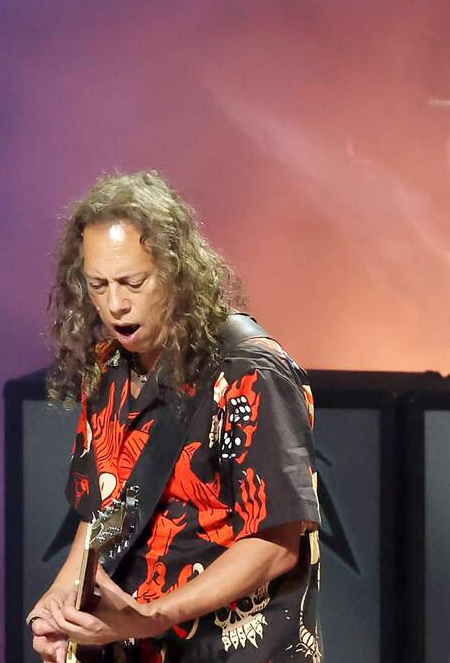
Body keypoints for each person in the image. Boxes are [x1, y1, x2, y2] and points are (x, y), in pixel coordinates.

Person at [27, 171, 323, 662]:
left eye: (133, 282)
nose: (115, 304)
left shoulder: (249, 370)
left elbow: (276, 544)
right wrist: (61, 605)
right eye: (98, 285)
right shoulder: (108, 369)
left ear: (175, 271)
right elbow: (105, 513)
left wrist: (154, 615)